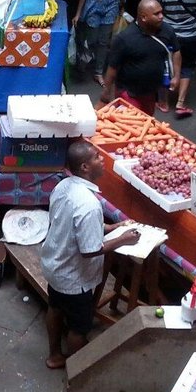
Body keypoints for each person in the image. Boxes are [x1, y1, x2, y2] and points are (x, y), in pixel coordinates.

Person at [40, 140, 141, 369]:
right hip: (74, 278)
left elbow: (70, 224)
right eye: (97, 157)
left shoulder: (63, 186)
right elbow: (90, 250)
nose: (102, 160)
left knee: (55, 308)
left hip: (55, 266)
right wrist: (124, 239)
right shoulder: (89, 204)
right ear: (85, 167)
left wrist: (109, 228)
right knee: (79, 327)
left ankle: (54, 355)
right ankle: (78, 371)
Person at [99, 0, 181, 117]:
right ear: (143, 17)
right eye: (156, 14)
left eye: (161, 12)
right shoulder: (124, 38)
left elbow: (177, 51)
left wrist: (176, 76)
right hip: (128, 93)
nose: (161, 16)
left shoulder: (167, 31)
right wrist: (106, 93)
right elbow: (112, 68)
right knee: (131, 124)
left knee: (147, 122)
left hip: (150, 93)